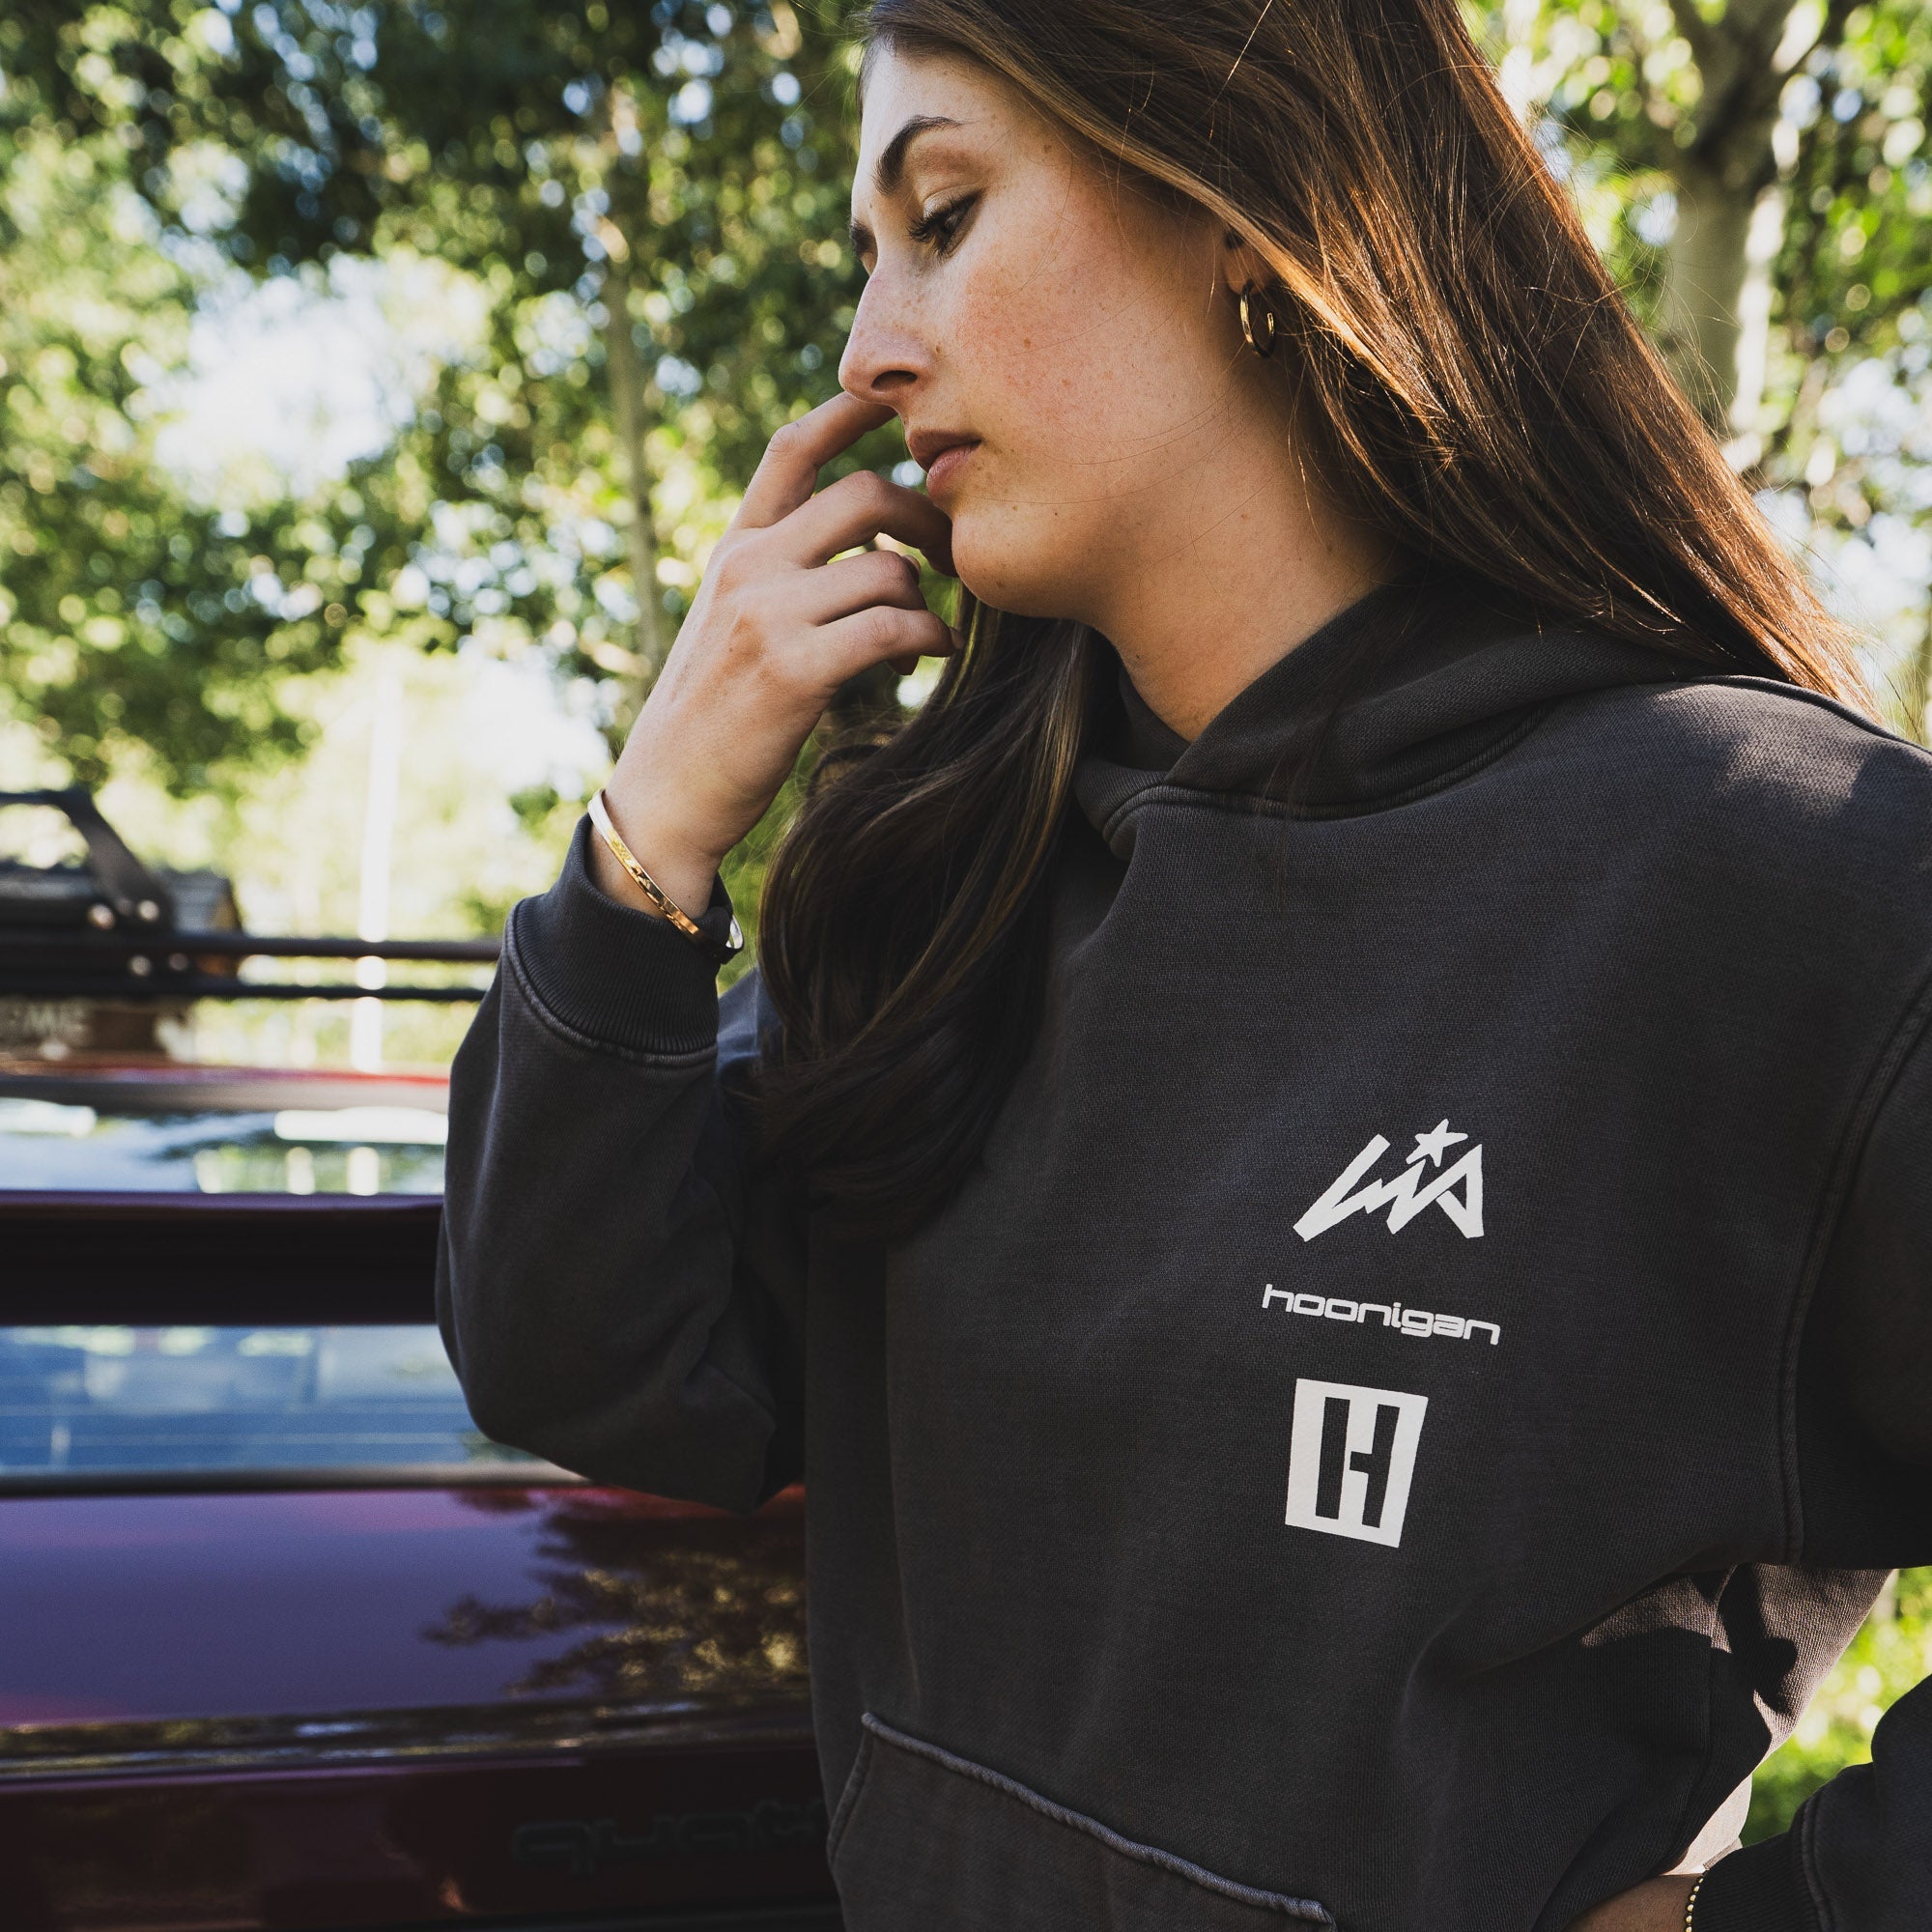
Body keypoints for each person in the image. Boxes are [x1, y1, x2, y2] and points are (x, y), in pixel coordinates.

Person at [436, 1, 1932, 1925]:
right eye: (870, 259)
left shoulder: (1770, 867)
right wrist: (648, 844)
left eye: (946, 214)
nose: (869, 348)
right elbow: (597, 1362)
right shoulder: (950, 882)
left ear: (1240, 195)